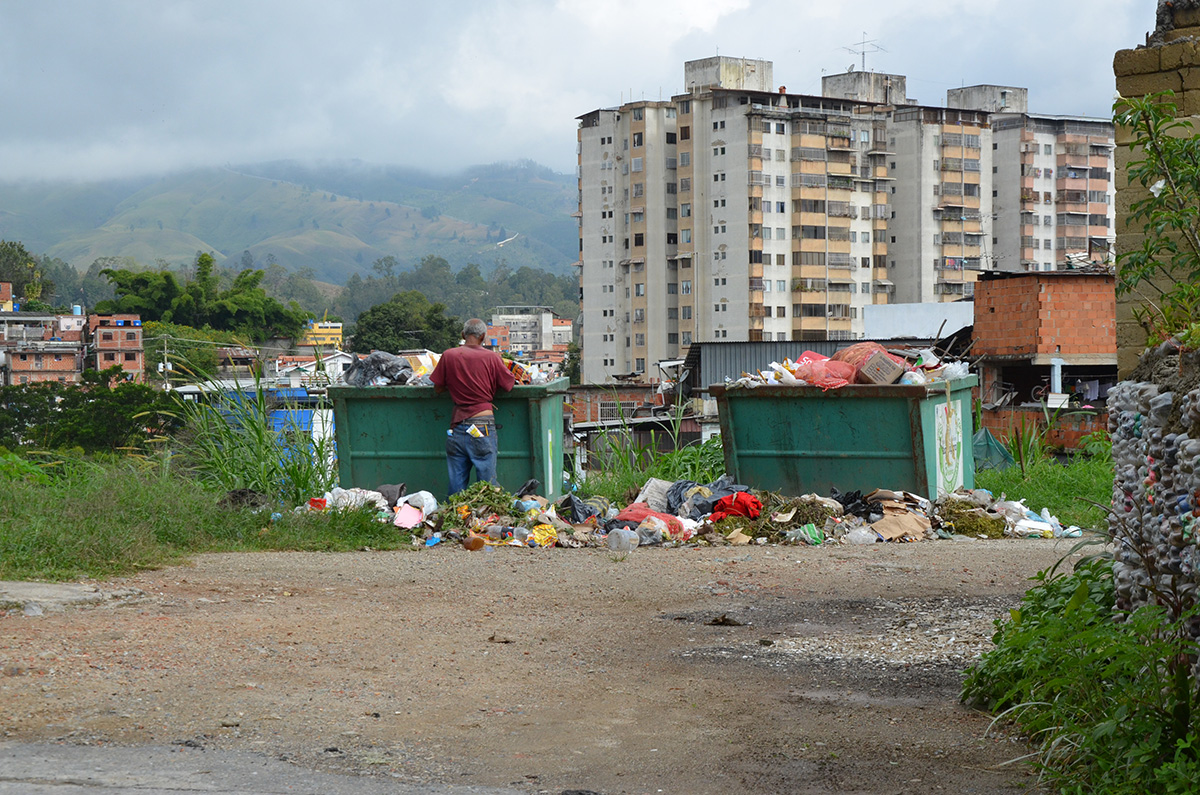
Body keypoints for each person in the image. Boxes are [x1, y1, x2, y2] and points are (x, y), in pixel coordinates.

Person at [430, 318, 515, 495]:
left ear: (463, 335)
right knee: (487, 485)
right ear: (483, 337)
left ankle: (457, 517)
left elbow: (437, 387)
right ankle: (485, 520)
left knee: (456, 485)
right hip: (482, 425)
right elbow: (508, 385)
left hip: (457, 427)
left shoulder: (449, 355)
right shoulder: (492, 357)